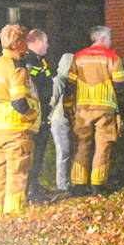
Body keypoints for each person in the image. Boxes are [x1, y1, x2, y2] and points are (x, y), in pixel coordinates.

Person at [0, 23, 39, 215]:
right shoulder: (17, 68)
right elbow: (18, 102)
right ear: (17, 43)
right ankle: (13, 216)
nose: (27, 46)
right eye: (24, 42)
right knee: (17, 175)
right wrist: (31, 115)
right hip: (17, 131)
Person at [68, 25, 124, 192]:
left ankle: (79, 184)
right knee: (103, 146)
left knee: (82, 145)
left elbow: (70, 84)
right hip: (105, 109)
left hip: (83, 108)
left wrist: (68, 106)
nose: (110, 42)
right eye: (109, 39)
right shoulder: (112, 57)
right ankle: (98, 184)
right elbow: (121, 85)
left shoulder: (78, 57)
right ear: (102, 39)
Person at [22, 28, 56, 201]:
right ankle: (30, 189)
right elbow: (34, 85)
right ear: (37, 41)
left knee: (39, 152)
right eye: (45, 42)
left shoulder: (39, 60)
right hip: (35, 113)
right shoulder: (29, 61)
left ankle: (34, 186)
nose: (47, 46)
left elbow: (47, 82)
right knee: (34, 153)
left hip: (42, 111)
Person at [49, 49, 77, 195]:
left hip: (67, 120)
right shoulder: (59, 80)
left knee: (67, 152)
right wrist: (48, 117)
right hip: (59, 120)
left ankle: (68, 182)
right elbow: (52, 101)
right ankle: (62, 184)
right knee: (63, 152)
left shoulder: (71, 82)